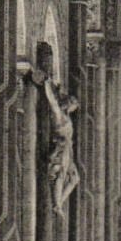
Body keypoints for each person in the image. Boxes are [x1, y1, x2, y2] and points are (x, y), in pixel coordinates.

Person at [43, 76, 79, 217]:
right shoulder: (59, 115)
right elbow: (52, 102)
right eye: (73, 105)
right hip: (61, 147)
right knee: (61, 174)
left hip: (67, 148)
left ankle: (59, 203)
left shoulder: (66, 116)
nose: (73, 109)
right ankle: (57, 204)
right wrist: (47, 84)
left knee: (75, 179)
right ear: (69, 104)